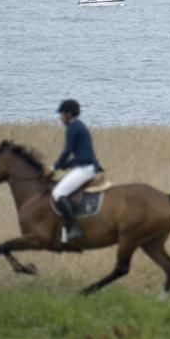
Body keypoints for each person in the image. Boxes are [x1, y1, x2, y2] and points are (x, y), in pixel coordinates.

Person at [51, 99, 103, 243]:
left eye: (62, 114)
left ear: (68, 114)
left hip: (85, 169)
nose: (60, 117)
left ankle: (73, 228)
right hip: (84, 166)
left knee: (58, 193)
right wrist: (64, 165)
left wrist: (54, 167)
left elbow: (67, 151)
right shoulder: (78, 126)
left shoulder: (73, 127)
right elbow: (77, 155)